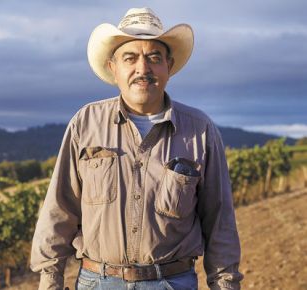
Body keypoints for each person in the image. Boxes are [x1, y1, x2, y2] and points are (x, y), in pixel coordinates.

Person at [31, 7, 243, 290]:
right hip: (98, 282)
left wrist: (225, 284)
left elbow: (220, 221)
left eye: (154, 58)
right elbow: (59, 209)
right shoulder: (85, 123)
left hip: (172, 283)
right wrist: (50, 280)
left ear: (168, 65)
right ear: (113, 67)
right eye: (130, 58)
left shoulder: (199, 130)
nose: (143, 69)